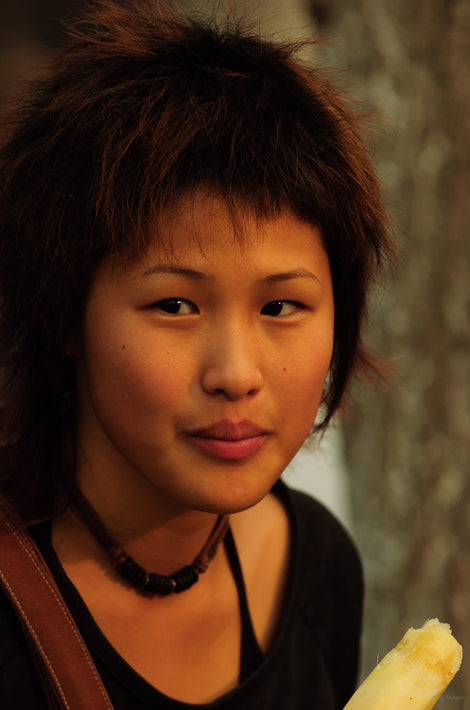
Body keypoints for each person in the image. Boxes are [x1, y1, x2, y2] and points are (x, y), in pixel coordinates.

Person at [0, 0, 394, 707]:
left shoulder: (318, 568)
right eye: (175, 306)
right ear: (64, 311)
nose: (236, 375)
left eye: (282, 307)